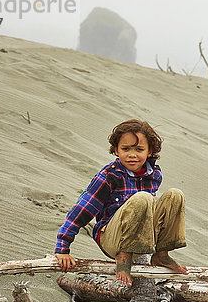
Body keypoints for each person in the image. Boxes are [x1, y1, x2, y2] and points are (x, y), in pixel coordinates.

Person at [54, 119, 188, 286]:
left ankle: (161, 254)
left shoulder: (154, 175)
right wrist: (62, 248)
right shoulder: (110, 176)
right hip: (112, 239)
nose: (132, 155)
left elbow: (152, 214)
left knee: (175, 195)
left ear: (150, 151)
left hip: (142, 239)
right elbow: (82, 210)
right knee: (143, 197)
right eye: (125, 149)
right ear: (116, 150)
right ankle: (124, 255)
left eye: (139, 149)